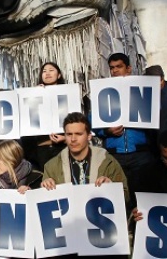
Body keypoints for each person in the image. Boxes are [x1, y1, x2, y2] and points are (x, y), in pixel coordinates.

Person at [93, 53, 153, 202]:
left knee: (144, 194)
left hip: (140, 152)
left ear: (129, 68)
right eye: (112, 68)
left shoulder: (141, 88)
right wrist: (107, 131)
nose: (115, 71)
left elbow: (155, 115)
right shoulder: (102, 92)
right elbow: (93, 122)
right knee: (119, 196)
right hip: (115, 153)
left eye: (119, 67)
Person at [41, 112, 129, 204]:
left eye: (78, 134)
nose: (73, 139)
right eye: (69, 134)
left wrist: (111, 187)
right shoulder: (51, 166)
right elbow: (46, 207)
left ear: (89, 136)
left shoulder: (107, 161)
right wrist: (45, 190)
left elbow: (126, 198)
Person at [22, 62, 68, 170]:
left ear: (59, 75)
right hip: (42, 149)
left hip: (63, 146)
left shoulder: (68, 94)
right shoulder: (33, 94)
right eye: (44, 71)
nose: (47, 73)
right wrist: (35, 94)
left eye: (51, 70)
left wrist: (65, 138)